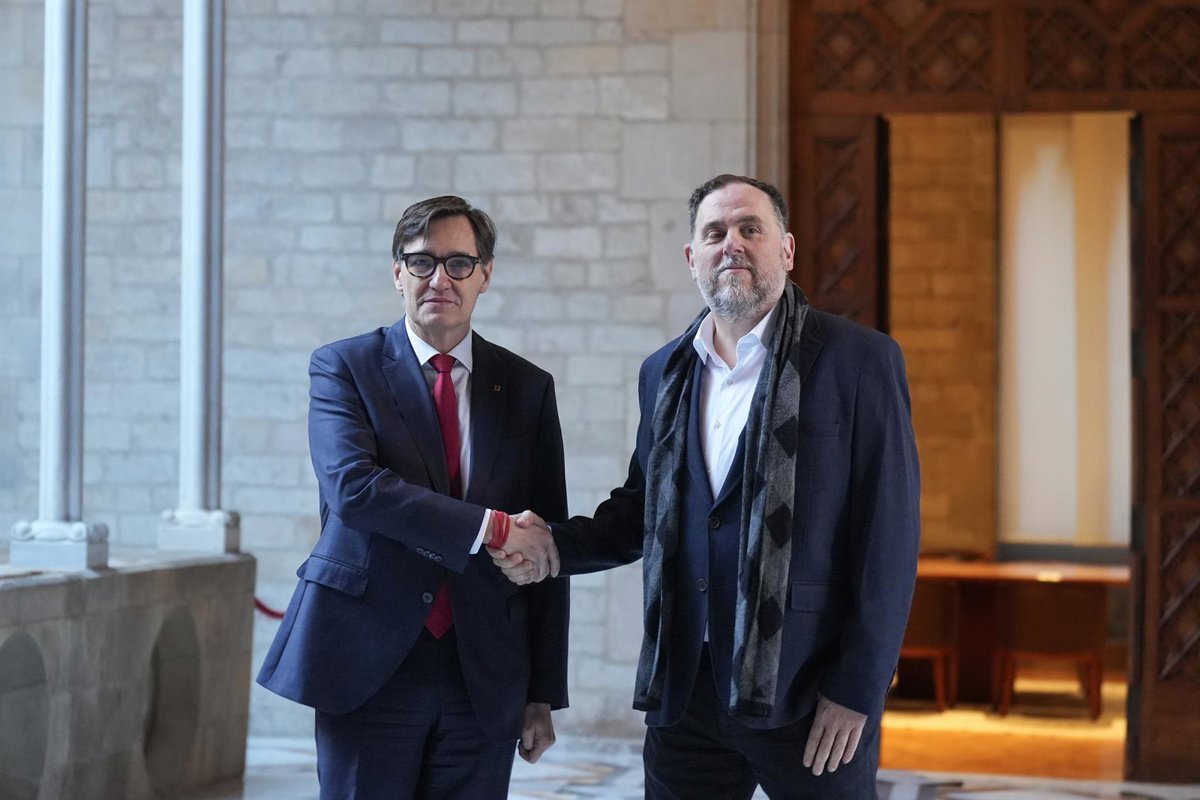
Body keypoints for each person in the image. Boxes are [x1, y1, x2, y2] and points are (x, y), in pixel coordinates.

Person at [494, 174, 921, 798]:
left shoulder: (859, 362)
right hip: (684, 689)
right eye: (715, 233)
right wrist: (554, 545)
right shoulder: (664, 372)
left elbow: (890, 537)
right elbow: (640, 511)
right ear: (693, 256)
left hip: (806, 689)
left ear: (786, 250)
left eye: (751, 228)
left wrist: (857, 688)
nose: (732, 244)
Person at [258, 195, 568, 799]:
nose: (440, 279)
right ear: (397, 273)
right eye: (422, 262)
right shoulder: (345, 367)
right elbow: (355, 489)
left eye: (459, 263)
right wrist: (492, 527)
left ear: (484, 275)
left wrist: (541, 692)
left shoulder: (527, 388)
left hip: (484, 669)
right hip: (368, 660)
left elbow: (545, 545)